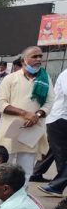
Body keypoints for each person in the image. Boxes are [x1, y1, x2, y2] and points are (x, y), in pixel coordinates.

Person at [0, 46, 54, 183]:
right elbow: (1, 105)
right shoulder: (10, 79)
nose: (38, 59)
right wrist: (25, 113)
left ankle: (21, 199)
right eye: (34, 56)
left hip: (32, 130)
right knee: (2, 169)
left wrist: (37, 115)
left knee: (25, 171)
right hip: (10, 131)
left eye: (40, 56)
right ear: (23, 60)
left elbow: (50, 102)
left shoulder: (45, 79)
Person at [37, 66, 67, 194]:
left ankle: (57, 185)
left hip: (62, 119)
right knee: (62, 156)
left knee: (58, 154)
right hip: (59, 119)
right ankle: (57, 186)